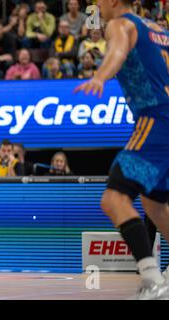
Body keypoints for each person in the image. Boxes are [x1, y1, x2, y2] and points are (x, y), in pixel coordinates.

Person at [75, 0, 169, 299]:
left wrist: (100, 77)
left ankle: (153, 280)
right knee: (154, 205)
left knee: (114, 198)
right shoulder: (159, 29)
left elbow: (116, 52)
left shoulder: (121, 24)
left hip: (155, 119)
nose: (96, 4)